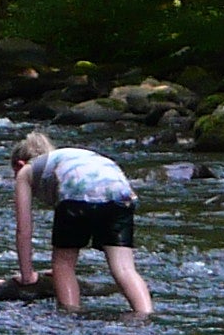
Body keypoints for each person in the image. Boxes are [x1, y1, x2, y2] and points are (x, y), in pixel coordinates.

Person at [13, 133, 153, 317]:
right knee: (125, 268)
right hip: (120, 192)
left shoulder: (26, 171)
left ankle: (70, 316)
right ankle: (146, 315)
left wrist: (27, 275)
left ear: (19, 164)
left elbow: (24, 230)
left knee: (63, 265)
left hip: (77, 193)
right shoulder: (70, 157)